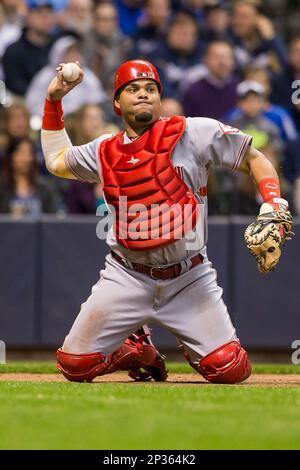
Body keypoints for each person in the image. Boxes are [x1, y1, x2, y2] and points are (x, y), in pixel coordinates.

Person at [41, 59, 291, 384]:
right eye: (132, 89)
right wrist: (54, 100)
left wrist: (273, 203)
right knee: (75, 366)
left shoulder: (192, 132)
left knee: (230, 369)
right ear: (117, 102)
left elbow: (253, 158)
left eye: (150, 89)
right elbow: (57, 161)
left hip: (188, 277)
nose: (142, 94)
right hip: (126, 275)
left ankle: (191, 343)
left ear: (159, 98)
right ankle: (136, 347)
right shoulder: (104, 150)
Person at [0, 137, 61, 215]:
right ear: (11, 157)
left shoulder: (45, 187)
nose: (26, 158)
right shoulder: (2, 187)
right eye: (21, 153)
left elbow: (54, 216)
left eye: (29, 153)